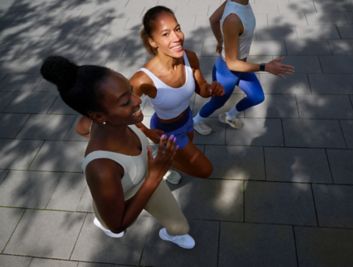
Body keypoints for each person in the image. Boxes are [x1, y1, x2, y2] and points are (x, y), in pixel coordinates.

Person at [40, 56, 195, 249]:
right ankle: (101, 218)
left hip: (146, 176)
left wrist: (146, 132)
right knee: (110, 221)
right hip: (134, 188)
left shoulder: (113, 120)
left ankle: (171, 234)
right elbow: (118, 225)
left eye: (130, 91)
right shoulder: (101, 169)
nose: (138, 100)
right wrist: (155, 175)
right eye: (125, 102)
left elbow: (81, 127)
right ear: (98, 116)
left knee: (180, 227)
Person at [130, 6, 224, 179]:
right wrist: (145, 131)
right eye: (166, 34)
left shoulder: (190, 57)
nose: (177, 38)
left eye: (178, 29)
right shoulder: (143, 79)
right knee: (205, 170)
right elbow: (121, 111)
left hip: (188, 119)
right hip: (166, 131)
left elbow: (201, 89)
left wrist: (212, 89)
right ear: (152, 41)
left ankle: (166, 159)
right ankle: (158, 163)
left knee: (184, 152)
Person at [192, 0, 295, 135]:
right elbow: (232, 63)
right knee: (216, 103)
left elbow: (213, 20)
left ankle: (229, 116)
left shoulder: (238, 3)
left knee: (257, 96)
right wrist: (266, 67)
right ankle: (195, 121)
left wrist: (221, 41)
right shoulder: (233, 19)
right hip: (227, 72)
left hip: (241, 67)